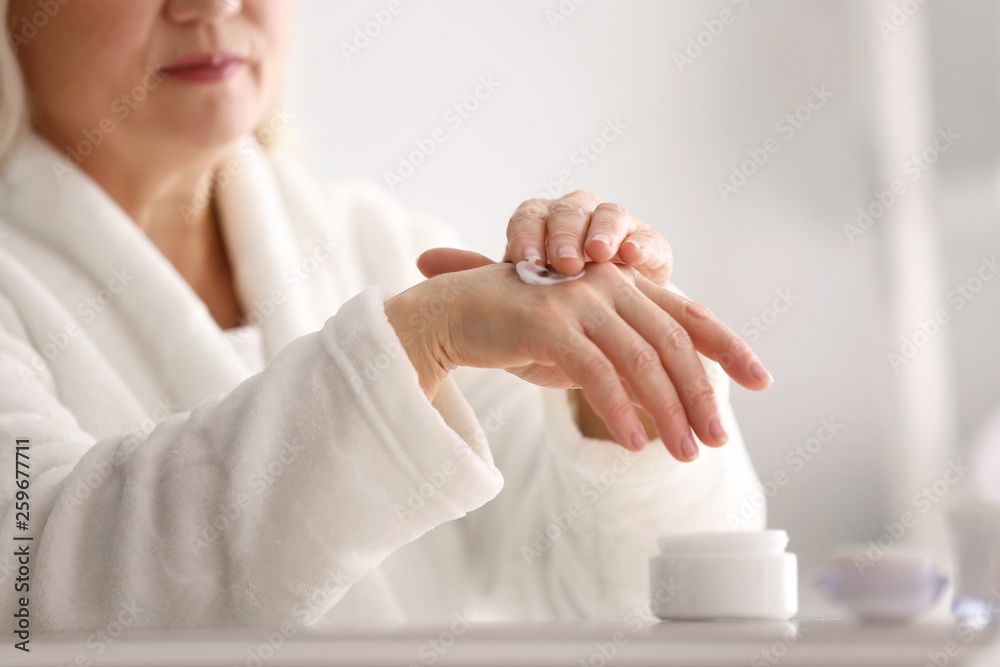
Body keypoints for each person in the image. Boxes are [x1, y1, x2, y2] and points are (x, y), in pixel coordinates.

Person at [0, 0, 771, 632]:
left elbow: (617, 602)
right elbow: (35, 590)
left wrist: (619, 409)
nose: (213, 5)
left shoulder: (386, 247)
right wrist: (412, 345)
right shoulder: (431, 300)